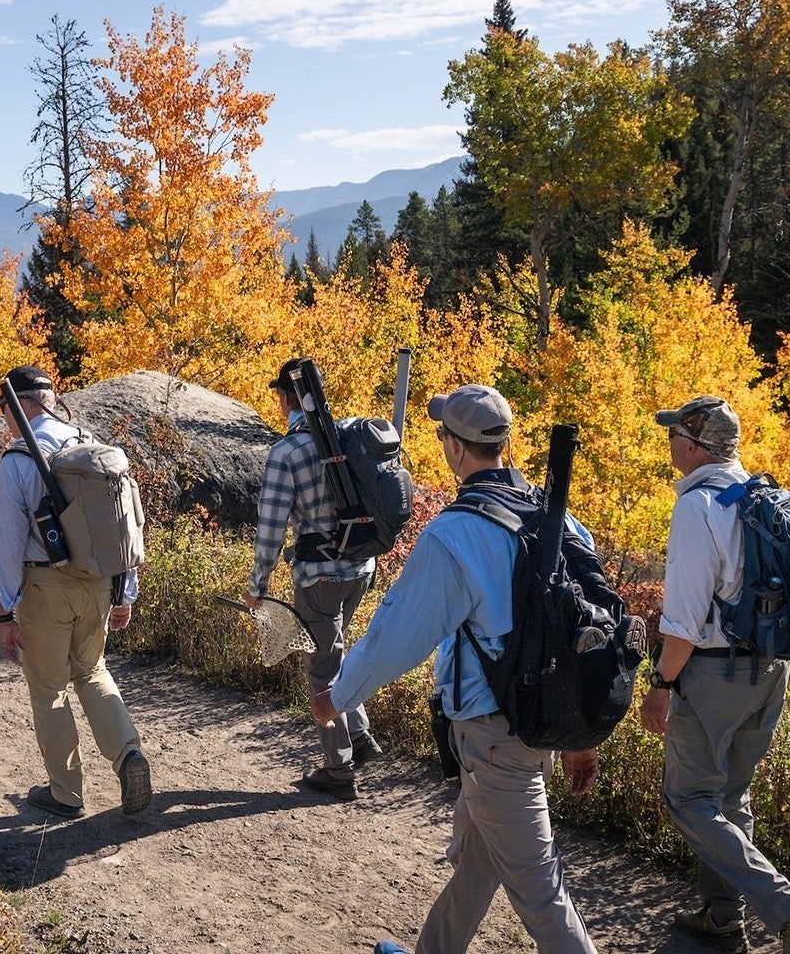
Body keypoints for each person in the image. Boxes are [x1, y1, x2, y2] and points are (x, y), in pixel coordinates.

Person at [313, 384, 604, 954]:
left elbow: (395, 636)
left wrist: (337, 697)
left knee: (542, 894)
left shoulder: (456, 533)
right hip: (530, 725)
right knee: (475, 864)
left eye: (443, 433)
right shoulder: (561, 520)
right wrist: (578, 736)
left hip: (493, 740)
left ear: (454, 447)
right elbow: (579, 636)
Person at [639, 396, 790, 954]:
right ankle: (722, 916)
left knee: (688, 799)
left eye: (674, 434)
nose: (669, 443)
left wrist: (661, 684)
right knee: (731, 797)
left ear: (694, 445)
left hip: (711, 674)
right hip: (771, 670)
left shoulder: (697, 507)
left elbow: (683, 620)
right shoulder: (759, 496)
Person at [0, 364, 153, 819]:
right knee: (92, 670)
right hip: (99, 582)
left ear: (18, 404)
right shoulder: (90, 446)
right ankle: (128, 755)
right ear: (51, 398)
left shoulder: (18, 459)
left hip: (46, 586)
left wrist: (4, 615)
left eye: (4, 409)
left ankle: (66, 792)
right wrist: (126, 591)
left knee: (48, 687)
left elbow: (5, 544)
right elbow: (126, 523)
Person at [245, 357, 383, 801]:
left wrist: (258, 584)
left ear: (286, 398)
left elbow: (271, 527)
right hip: (361, 568)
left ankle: (338, 770)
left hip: (318, 576)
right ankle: (358, 736)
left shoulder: (286, 453)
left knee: (321, 668)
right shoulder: (350, 437)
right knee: (335, 656)